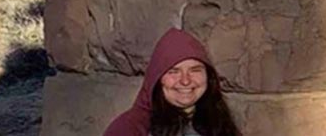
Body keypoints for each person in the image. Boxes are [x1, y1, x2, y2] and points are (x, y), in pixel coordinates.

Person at [104, 28, 242, 136]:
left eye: (195, 70)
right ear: (157, 78)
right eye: (174, 72)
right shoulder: (129, 129)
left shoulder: (219, 123)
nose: (185, 81)